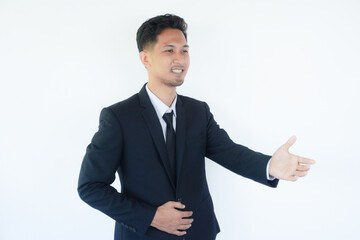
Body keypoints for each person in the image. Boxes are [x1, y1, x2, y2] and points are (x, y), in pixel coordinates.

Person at [77, 14, 315, 240]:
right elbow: (91, 187)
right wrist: (151, 217)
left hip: (199, 233)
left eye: (184, 51)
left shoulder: (197, 112)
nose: (179, 59)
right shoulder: (118, 117)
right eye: (169, 50)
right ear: (145, 58)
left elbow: (229, 152)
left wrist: (269, 166)